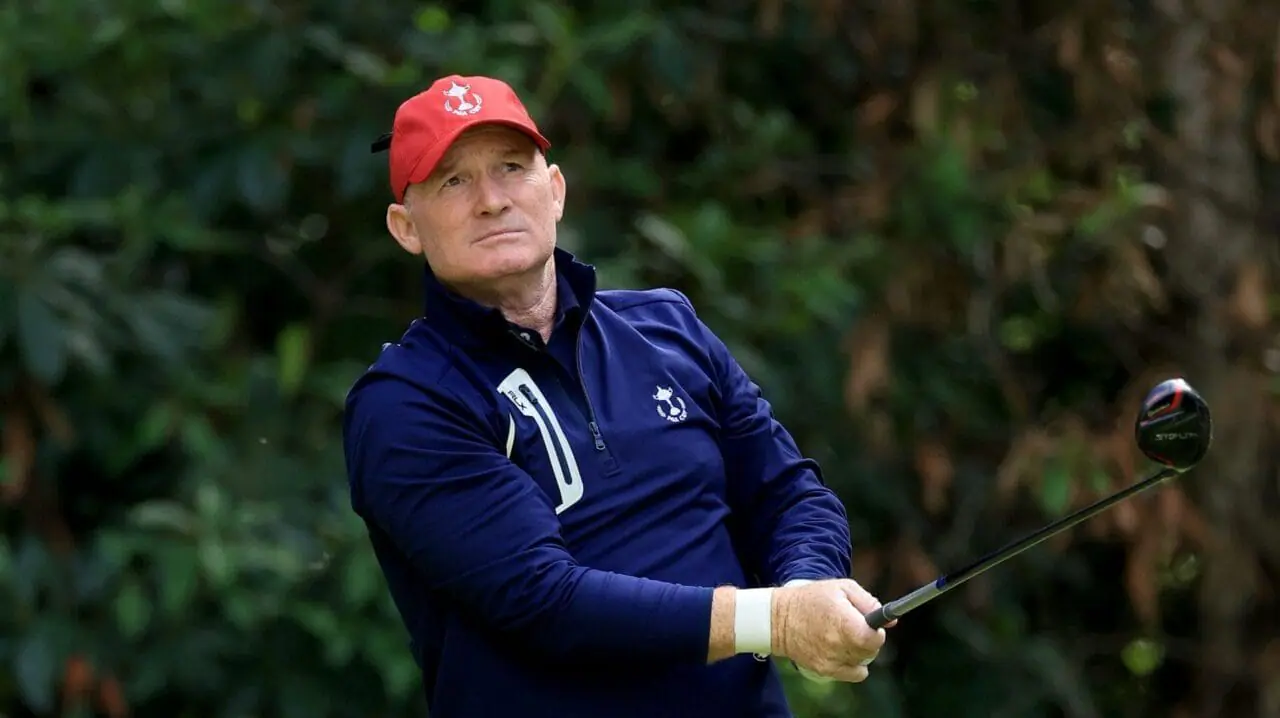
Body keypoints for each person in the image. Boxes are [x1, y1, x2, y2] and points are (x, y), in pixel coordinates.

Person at [343, 73, 892, 718]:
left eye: (511, 168)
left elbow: (787, 491)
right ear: (406, 227)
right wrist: (774, 619)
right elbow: (542, 601)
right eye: (453, 181)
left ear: (555, 191)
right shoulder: (405, 404)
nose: (490, 200)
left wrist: (807, 581)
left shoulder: (668, 326)